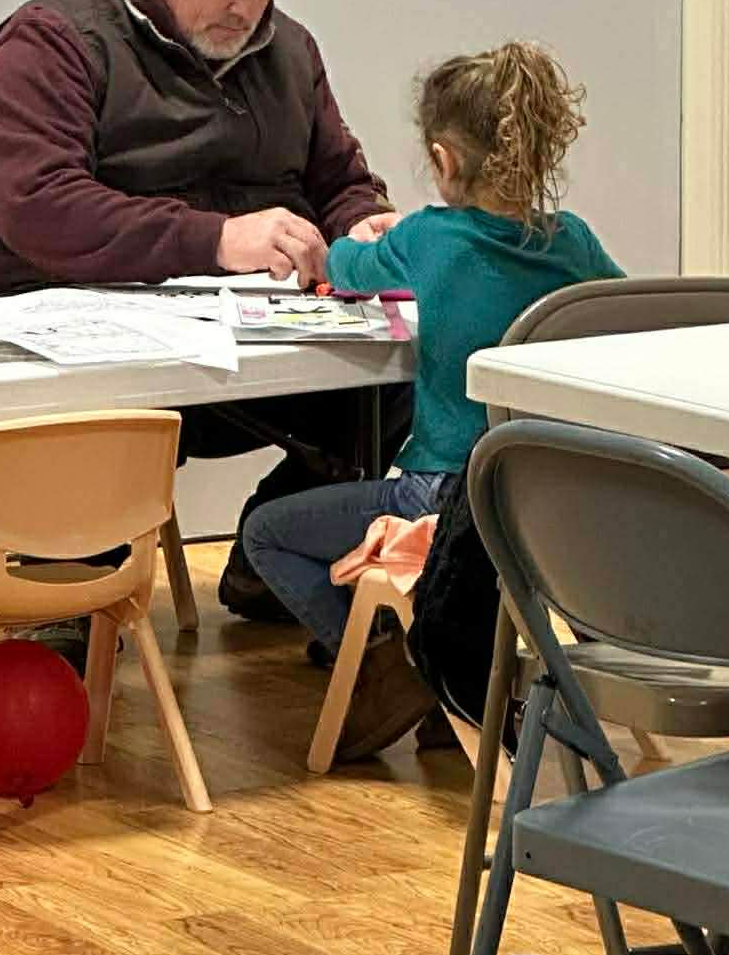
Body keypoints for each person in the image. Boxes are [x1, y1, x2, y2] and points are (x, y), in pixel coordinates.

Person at [0, 0, 412, 627]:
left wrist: (363, 223)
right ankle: (65, 600)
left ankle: (280, 555)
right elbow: (38, 207)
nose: (248, 7)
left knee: (404, 373)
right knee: (91, 423)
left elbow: (338, 178)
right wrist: (218, 240)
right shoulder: (53, 41)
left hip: (238, 349)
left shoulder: (290, 52)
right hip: (74, 349)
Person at [243, 40, 624, 759]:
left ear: (444, 162)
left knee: (267, 533)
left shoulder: (429, 237)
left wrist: (366, 238)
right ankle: (433, 668)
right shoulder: (573, 241)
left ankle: (396, 663)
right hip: (545, 504)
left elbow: (345, 266)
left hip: (441, 495)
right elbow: (622, 306)